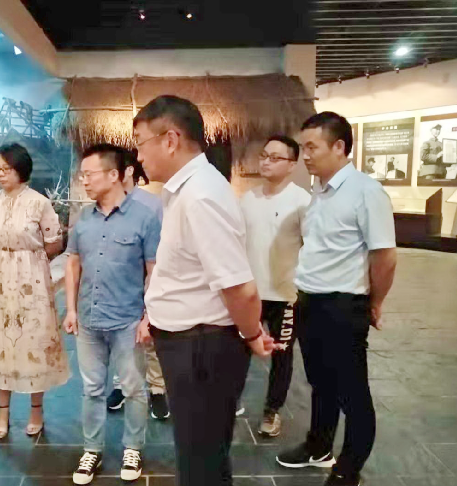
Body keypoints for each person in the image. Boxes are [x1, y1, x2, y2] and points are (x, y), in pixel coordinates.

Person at [134, 95, 274, 486]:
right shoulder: (187, 189)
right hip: (190, 344)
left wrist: (252, 334)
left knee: (201, 461)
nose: (138, 155)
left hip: (201, 348)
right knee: (201, 453)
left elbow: (240, 288)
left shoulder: (201, 195)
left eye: (141, 143)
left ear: (170, 140)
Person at [276, 112, 397, 486]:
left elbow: (384, 256)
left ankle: (349, 468)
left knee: (352, 392)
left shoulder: (366, 192)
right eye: (303, 147)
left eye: (312, 147)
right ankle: (318, 446)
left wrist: (375, 302)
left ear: (340, 146)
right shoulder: (320, 191)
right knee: (320, 383)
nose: (306, 156)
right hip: (310, 301)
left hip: (343, 306)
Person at [63, 144, 161, 484]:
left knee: (133, 388)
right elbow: (73, 264)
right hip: (88, 320)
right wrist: (71, 309)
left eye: (89, 174)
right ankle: (92, 450)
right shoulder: (83, 219)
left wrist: (148, 317)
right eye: (82, 175)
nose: (84, 181)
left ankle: (133, 447)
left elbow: (155, 270)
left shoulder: (145, 217)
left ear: (114, 175)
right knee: (91, 389)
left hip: (128, 321)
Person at [0, 143, 69, 440]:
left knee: (34, 340)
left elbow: (54, 243)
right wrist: (5, 258)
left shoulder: (40, 203)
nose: (0, 174)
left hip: (32, 280)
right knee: (0, 341)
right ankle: (2, 411)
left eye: (7, 169)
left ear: (21, 170)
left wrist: (29, 260)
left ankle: (36, 410)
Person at [239, 135, 311, 437]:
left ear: (292, 165)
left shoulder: (302, 201)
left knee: (281, 354)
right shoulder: (248, 199)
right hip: (250, 293)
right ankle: (231, 400)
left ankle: (272, 410)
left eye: (275, 157)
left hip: (285, 295)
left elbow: (311, 247)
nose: (266, 161)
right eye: (264, 155)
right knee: (240, 349)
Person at [107, 153, 169, 421]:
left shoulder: (152, 203)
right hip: (119, 277)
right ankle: (121, 384)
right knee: (121, 334)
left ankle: (157, 388)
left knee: (151, 332)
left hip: (149, 273)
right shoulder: (107, 202)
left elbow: (163, 242)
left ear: (129, 171)